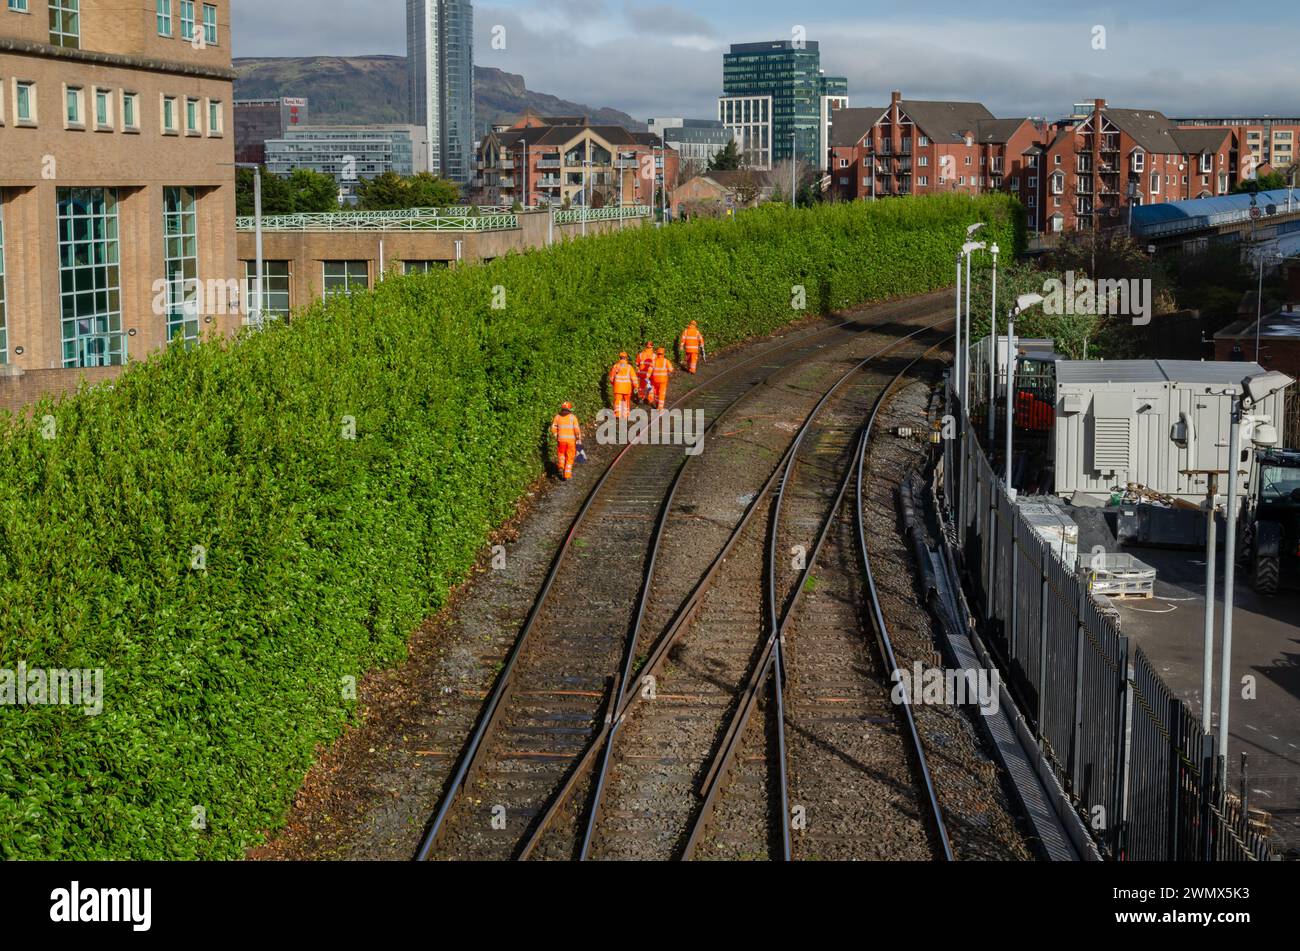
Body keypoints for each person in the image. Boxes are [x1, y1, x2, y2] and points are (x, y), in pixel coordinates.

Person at [550, 402, 584, 481]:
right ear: (569, 409)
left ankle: (561, 466)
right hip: (571, 441)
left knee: (561, 454)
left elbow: (553, 428)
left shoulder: (557, 417)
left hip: (561, 440)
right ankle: (566, 475)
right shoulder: (572, 417)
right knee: (570, 457)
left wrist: (556, 436)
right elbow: (576, 429)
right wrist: (578, 437)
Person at [608, 353, 638, 419]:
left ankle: (618, 414)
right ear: (626, 358)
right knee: (626, 401)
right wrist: (636, 386)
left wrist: (614, 384)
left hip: (618, 388)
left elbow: (611, 378)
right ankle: (626, 414)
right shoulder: (629, 367)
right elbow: (634, 378)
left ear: (619, 358)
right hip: (627, 388)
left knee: (617, 401)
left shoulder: (615, 366)